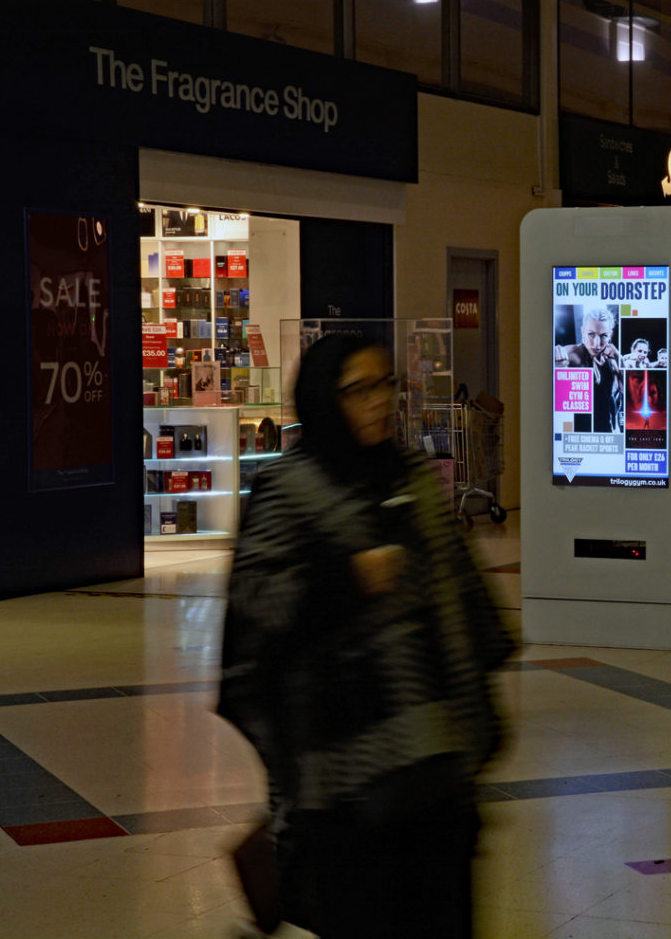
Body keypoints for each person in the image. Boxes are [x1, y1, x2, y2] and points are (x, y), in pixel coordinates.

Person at [218, 333, 514, 939]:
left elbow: (460, 595)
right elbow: (255, 612)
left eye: (386, 385)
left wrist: (477, 709)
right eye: (359, 390)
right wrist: (344, 580)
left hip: (437, 764)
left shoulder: (411, 475)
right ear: (325, 400)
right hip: (344, 780)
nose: (380, 402)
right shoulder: (287, 489)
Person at [555, 306, 624, 432]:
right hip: (580, 435)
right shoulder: (573, 354)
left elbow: (628, 391)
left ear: (610, 335)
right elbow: (559, 357)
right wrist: (556, 363)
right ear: (582, 331)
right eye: (591, 334)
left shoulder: (612, 361)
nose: (596, 344)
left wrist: (619, 358)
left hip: (607, 432)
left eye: (603, 336)